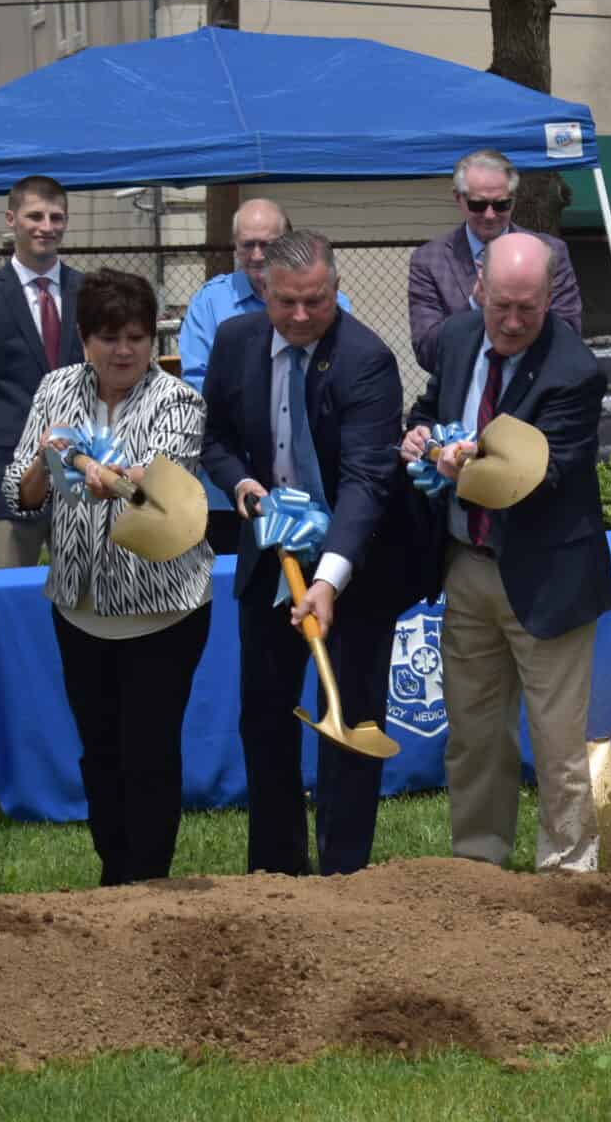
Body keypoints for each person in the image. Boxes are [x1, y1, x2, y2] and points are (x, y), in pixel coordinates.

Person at [202, 231, 425, 876]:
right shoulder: (235, 341)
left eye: (317, 302)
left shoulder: (366, 359)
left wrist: (329, 579)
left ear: (335, 288)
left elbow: (367, 481)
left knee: (349, 717)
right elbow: (213, 434)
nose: (302, 317)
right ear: (263, 291)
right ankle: (276, 872)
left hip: (354, 566)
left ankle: (343, 873)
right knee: (264, 718)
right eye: (287, 303)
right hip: (269, 558)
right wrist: (238, 482)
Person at [400, 232, 611, 872]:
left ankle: (569, 870)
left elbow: (540, 477)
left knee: (556, 740)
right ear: (478, 291)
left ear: (551, 297)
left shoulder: (574, 370)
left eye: (529, 307)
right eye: (501, 306)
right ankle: (477, 864)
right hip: (469, 565)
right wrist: (418, 436)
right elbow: (432, 408)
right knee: (473, 733)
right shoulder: (460, 338)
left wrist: (454, 461)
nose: (514, 322)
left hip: (548, 577)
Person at [5, 268, 215, 887]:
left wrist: (104, 471)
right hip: (78, 607)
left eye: (136, 336)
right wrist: (48, 460)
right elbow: (22, 493)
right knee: (98, 753)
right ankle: (113, 875)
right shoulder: (55, 389)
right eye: (107, 337)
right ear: (83, 337)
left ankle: (149, 883)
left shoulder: (179, 401)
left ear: (153, 339)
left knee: (149, 754)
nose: (123, 351)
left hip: (163, 610)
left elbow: (160, 486)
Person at [177, 199, 356, 554]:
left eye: (268, 244)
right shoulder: (210, 303)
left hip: (314, 483)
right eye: (248, 245)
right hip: (233, 489)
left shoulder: (333, 303)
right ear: (235, 247)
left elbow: (341, 382)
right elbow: (198, 385)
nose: (258, 255)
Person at [0, 175, 84, 568]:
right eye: (35, 216)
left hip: (82, 476)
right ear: (11, 219)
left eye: (57, 217)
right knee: (4, 598)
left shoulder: (89, 293)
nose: (47, 227)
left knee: (89, 599)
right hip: (8, 482)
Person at [407, 149, 584, 372]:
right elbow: (428, 351)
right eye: (478, 205)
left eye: (501, 205)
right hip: (464, 392)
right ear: (458, 199)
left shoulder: (549, 252)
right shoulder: (429, 261)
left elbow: (568, 334)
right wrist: (473, 307)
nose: (490, 215)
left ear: (514, 199)